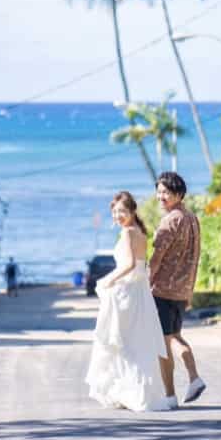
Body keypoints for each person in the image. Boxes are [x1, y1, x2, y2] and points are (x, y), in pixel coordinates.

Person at [85, 191, 171, 412]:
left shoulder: (127, 233)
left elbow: (130, 264)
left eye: (122, 211)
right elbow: (142, 265)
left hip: (127, 292)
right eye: (114, 212)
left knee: (123, 342)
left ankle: (131, 392)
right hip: (140, 291)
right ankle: (136, 391)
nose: (118, 215)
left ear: (132, 211)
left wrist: (107, 280)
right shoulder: (140, 233)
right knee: (136, 342)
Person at [149, 171, 205, 408]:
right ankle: (194, 378)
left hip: (163, 289)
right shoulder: (192, 218)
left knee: (163, 343)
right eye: (159, 191)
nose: (161, 196)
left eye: (167, 192)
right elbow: (196, 255)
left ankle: (170, 396)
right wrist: (189, 290)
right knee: (175, 337)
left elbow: (157, 256)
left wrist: (145, 281)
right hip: (182, 290)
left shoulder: (171, 219)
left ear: (179, 194)